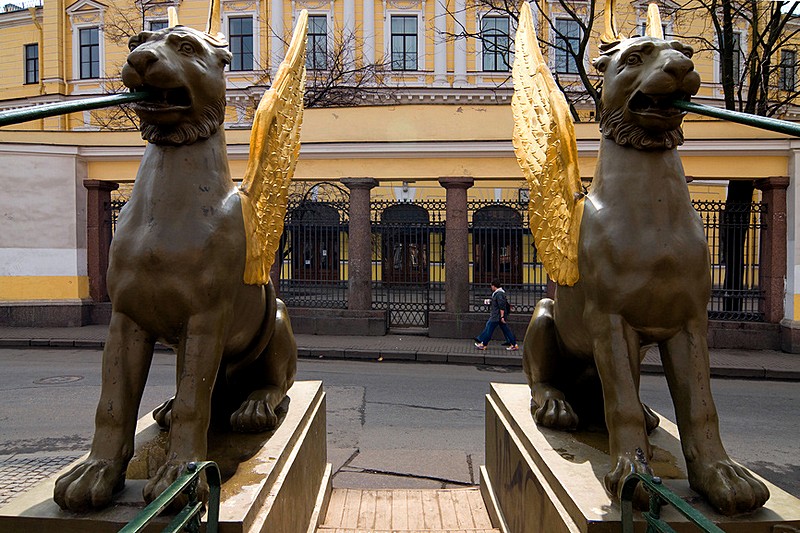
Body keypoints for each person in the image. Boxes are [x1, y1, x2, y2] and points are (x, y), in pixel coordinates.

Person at [474, 279, 518, 351]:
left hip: (496, 317)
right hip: (498, 316)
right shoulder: (498, 293)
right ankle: (514, 344)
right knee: (506, 330)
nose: (491, 287)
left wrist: (502, 316)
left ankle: (483, 344)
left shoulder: (499, 294)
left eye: (491, 286)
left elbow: (501, 306)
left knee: (489, 330)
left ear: (494, 286)